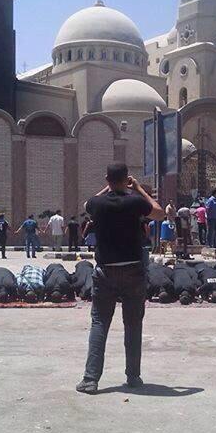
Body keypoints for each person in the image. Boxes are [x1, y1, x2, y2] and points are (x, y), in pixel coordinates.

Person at [76, 163, 164, 394]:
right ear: (127, 180)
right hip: (134, 270)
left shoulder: (98, 204)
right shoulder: (135, 202)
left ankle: (90, 379)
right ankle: (133, 377)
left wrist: (108, 187)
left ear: (107, 179)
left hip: (105, 271)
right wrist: (137, 189)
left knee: (99, 323)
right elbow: (159, 212)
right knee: (133, 325)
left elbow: (87, 203)